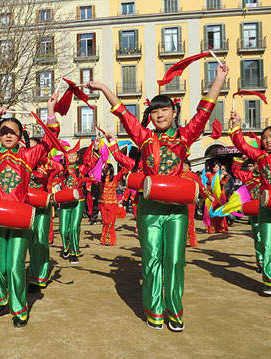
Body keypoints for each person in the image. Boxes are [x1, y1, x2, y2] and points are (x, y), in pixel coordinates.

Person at [86, 62, 228, 332]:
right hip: (149, 209)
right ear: (149, 115)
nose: (160, 115)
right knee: (151, 261)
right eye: (154, 111)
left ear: (174, 112)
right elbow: (123, 114)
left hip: (176, 211)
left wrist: (219, 78)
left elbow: (205, 110)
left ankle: (175, 311)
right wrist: (103, 87)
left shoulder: (185, 137)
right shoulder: (142, 137)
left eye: (165, 109)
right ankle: (154, 311)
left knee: (174, 260)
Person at [0, 93, 59, 328]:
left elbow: (51, 137)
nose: (8, 135)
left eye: (13, 132)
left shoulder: (28, 156)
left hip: (20, 218)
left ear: (20, 136)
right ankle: (2, 292)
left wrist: (50, 110)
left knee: (16, 267)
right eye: (4, 131)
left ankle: (19, 309)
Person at [229, 111, 271, 294]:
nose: (268, 140)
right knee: (267, 242)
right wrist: (237, 124)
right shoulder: (260, 156)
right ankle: (269, 280)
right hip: (265, 205)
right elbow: (241, 144)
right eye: (265, 138)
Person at [27, 138, 63, 292]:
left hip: (42, 205)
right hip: (26, 206)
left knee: (40, 240)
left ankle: (39, 277)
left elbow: (60, 167)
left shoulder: (47, 164)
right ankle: (36, 271)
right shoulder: (23, 162)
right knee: (29, 240)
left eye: (37, 149)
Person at [57, 140, 100, 263]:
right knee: (63, 229)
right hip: (65, 202)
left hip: (78, 201)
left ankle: (73, 253)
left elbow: (91, 163)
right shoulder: (61, 169)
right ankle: (66, 248)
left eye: (74, 154)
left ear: (77, 157)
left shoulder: (81, 169)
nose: (71, 157)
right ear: (65, 156)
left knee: (75, 227)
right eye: (68, 154)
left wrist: (95, 148)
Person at [232, 155, 263, 273]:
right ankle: (260, 262)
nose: (257, 166)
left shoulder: (267, 177)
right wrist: (241, 160)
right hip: (255, 211)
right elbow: (235, 171)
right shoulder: (249, 176)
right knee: (258, 237)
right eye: (255, 164)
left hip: (268, 209)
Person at [182, 159, 214, 246]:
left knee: (190, 221)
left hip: (189, 200)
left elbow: (201, 187)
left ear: (189, 166)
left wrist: (208, 196)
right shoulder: (177, 175)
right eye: (182, 165)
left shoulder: (193, 176)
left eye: (185, 165)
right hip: (179, 201)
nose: (183, 167)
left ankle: (191, 240)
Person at [98, 161, 127, 246]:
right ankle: (103, 240)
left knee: (110, 222)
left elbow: (123, 170)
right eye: (105, 169)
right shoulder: (101, 179)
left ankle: (111, 240)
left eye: (107, 169)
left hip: (112, 204)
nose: (106, 170)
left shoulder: (115, 178)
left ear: (111, 170)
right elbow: (95, 171)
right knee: (105, 222)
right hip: (103, 203)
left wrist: (122, 160)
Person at [205, 161, 229, 233]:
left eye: (217, 167)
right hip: (212, 195)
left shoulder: (223, 175)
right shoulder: (210, 175)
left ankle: (221, 228)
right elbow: (207, 183)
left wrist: (222, 175)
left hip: (220, 196)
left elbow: (221, 182)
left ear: (219, 168)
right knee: (211, 211)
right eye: (214, 167)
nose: (215, 168)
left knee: (221, 211)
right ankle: (212, 228)